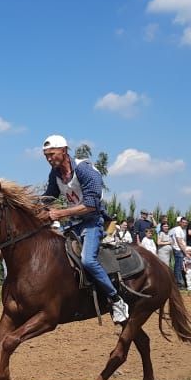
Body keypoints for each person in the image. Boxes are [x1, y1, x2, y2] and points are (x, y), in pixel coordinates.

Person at [40, 134, 128, 322]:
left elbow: (91, 205)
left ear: (64, 151)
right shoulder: (55, 174)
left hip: (93, 222)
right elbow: (49, 197)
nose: (49, 159)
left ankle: (116, 300)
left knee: (88, 261)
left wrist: (59, 213)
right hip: (74, 224)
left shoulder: (85, 170)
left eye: (52, 154)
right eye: (46, 155)